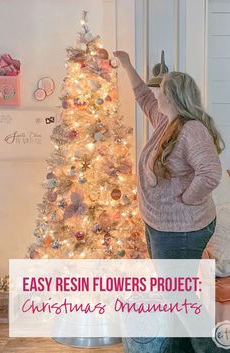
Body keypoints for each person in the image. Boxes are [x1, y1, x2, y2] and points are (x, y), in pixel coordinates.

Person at [113, 51, 226, 353]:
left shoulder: (192, 130)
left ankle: (213, 349)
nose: (156, 96)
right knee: (175, 293)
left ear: (173, 98)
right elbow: (143, 98)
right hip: (162, 226)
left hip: (180, 231)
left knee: (181, 296)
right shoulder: (167, 121)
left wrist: (185, 200)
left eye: (161, 92)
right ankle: (180, 349)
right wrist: (126, 64)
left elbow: (211, 173)